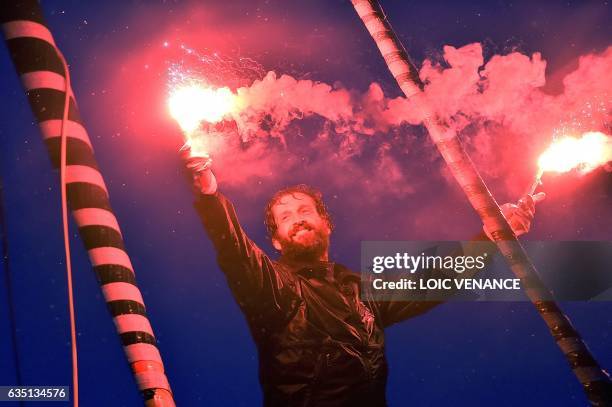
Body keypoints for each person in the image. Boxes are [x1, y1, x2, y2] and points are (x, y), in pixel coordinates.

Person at [182, 149, 545, 407]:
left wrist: (494, 237)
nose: (298, 218)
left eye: (305, 210)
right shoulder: (274, 289)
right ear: (276, 240)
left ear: (327, 224)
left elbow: (433, 280)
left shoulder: (361, 290)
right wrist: (211, 197)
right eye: (286, 217)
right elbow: (235, 250)